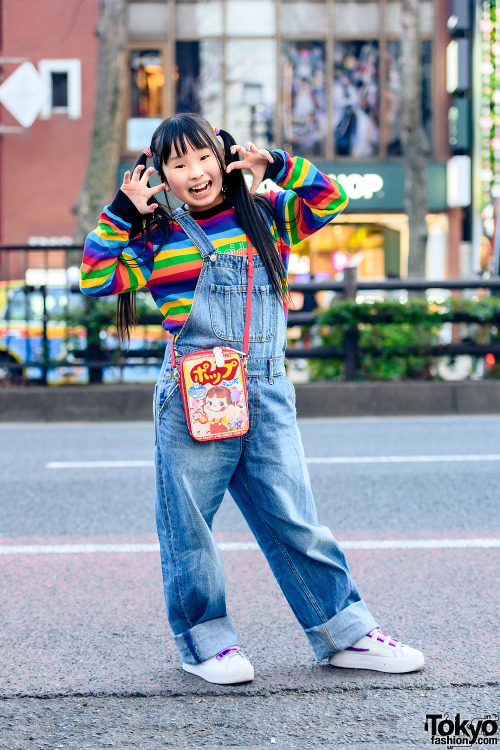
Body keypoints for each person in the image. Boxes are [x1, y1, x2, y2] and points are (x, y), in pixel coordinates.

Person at [80, 113, 424, 685]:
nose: (196, 172)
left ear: (224, 156)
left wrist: (275, 164)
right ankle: (205, 645)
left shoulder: (267, 214)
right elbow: (95, 279)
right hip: (195, 394)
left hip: (265, 389)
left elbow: (330, 198)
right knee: (189, 529)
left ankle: (345, 634)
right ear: (161, 175)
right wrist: (121, 212)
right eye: (178, 163)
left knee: (296, 518)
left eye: (204, 156)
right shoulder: (158, 238)